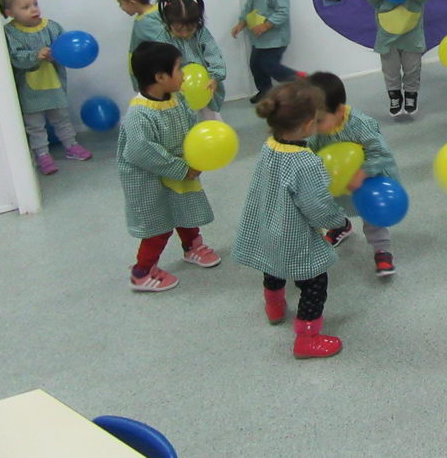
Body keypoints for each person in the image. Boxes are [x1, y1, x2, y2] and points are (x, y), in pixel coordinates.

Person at [233, 80, 353, 359]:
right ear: (309, 124)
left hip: (267, 223)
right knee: (314, 283)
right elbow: (316, 205)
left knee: (272, 266)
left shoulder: (269, 145)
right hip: (293, 232)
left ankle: (274, 307)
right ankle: (307, 338)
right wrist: (336, 220)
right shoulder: (306, 162)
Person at [118, 41, 220, 292]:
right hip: (149, 179)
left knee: (185, 207)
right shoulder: (139, 114)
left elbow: (189, 126)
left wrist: (197, 155)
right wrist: (181, 168)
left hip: (180, 168)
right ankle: (142, 272)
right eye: (178, 69)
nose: (184, 74)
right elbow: (142, 151)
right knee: (158, 225)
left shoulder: (177, 98)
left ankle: (191, 246)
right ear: (160, 77)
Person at [306, 71, 400, 278]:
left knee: (371, 213)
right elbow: (309, 150)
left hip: (368, 181)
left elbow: (383, 154)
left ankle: (382, 249)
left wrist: (363, 172)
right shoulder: (318, 130)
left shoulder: (360, 124)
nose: (314, 126)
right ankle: (342, 226)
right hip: (338, 180)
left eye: (319, 121)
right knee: (330, 204)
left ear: (339, 111)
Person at [0, 0, 92, 175]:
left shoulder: (52, 27)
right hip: (29, 90)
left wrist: (55, 55)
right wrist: (35, 55)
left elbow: (67, 49)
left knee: (62, 119)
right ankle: (41, 154)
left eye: (35, 4)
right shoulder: (10, 33)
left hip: (53, 85)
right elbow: (15, 57)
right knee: (35, 126)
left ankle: (71, 145)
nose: (33, 9)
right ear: (9, 12)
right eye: (25, 7)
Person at [366, 0, 432, 117]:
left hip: (411, 35)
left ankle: (411, 94)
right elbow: (373, 2)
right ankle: (394, 95)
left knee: (412, 69)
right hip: (387, 37)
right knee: (390, 70)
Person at [230, 0, 298, 104]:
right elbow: (249, 7)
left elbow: (283, 11)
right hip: (259, 39)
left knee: (269, 65)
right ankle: (265, 90)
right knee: (255, 65)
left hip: (275, 39)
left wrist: (266, 25)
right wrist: (242, 22)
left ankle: (298, 82)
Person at [158, 0, 226, 120]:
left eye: (190, 29)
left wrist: (215, 76)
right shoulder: (163, 38)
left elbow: (214, 53)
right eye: (178, 30)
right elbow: (161, 63)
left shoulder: (201, 33)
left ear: (198, 22)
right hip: (178, 87)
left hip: (205, 84)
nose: (184, 34)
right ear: (167, 23)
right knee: (182, 119)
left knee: (211, 117)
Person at [113, 0, 167, 91]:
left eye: (120, 3)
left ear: (132, 2)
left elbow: (165, 45)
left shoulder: (145, 22)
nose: (120, 7)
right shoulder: (155, 11)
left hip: (151, 80)